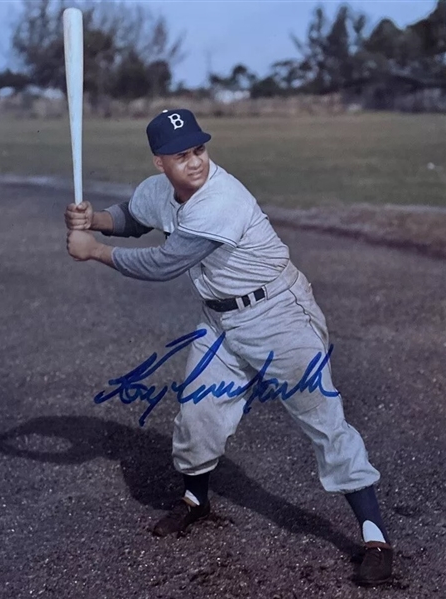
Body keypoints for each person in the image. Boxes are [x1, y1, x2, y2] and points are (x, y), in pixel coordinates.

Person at [65, 109, 393, 586]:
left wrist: (93, 249)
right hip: (220, 318)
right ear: (160, 163)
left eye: (199, 149)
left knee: (323, 419)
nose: (196, 161)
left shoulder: (222, 198)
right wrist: (92, 218)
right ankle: (196, 501)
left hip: (279, 314)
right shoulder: (158, 189)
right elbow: (134, 218)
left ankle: (375, 536)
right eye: (182, 155)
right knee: (198, 413)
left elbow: (162, 263)